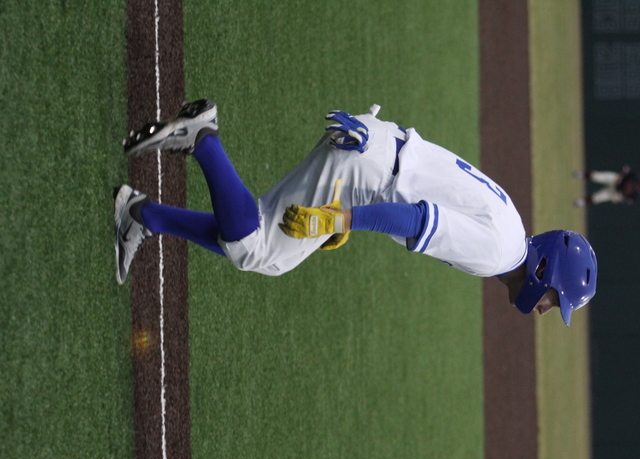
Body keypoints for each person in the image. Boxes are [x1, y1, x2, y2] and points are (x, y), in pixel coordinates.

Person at [115, 99, 597, 325]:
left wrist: (347, 217)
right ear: (541, 271)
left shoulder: (512, 228)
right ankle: (202, 139)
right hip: (368, 172)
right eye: (553, 300)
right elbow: (416, 219)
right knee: (256, 249)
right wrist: (342, 220)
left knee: (273, 253)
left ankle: (145, 216)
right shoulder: (497, 253)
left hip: (375, 155)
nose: (544, 309)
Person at [572, 165, 640, 207]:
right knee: (597, 176)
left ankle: (581, 201)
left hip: (615, 192)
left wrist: (623, 199)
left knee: (598, 198)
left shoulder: (638, 194)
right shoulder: (637, 176)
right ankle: (582, 174)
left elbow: (629, 201)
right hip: (615, 180)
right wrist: (623, 173)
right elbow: (626, 170)